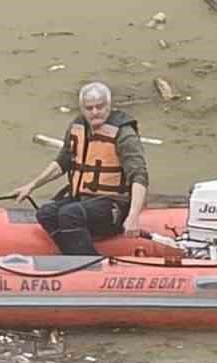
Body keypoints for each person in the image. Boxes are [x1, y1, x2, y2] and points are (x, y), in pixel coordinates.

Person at [14, 82, 148, 256]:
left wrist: (133, 216)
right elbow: (63, 162)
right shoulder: (78, 127)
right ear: (82, 109)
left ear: (109, 106)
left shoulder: (124, 133)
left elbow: (139, 176)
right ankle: (74, 253)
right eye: (89, 108)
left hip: (113, 206)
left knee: (70, 214)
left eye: (100, 107)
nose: (94, 112)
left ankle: (89, 264)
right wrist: (31, 186)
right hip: (84, 201)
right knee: (46, 213)